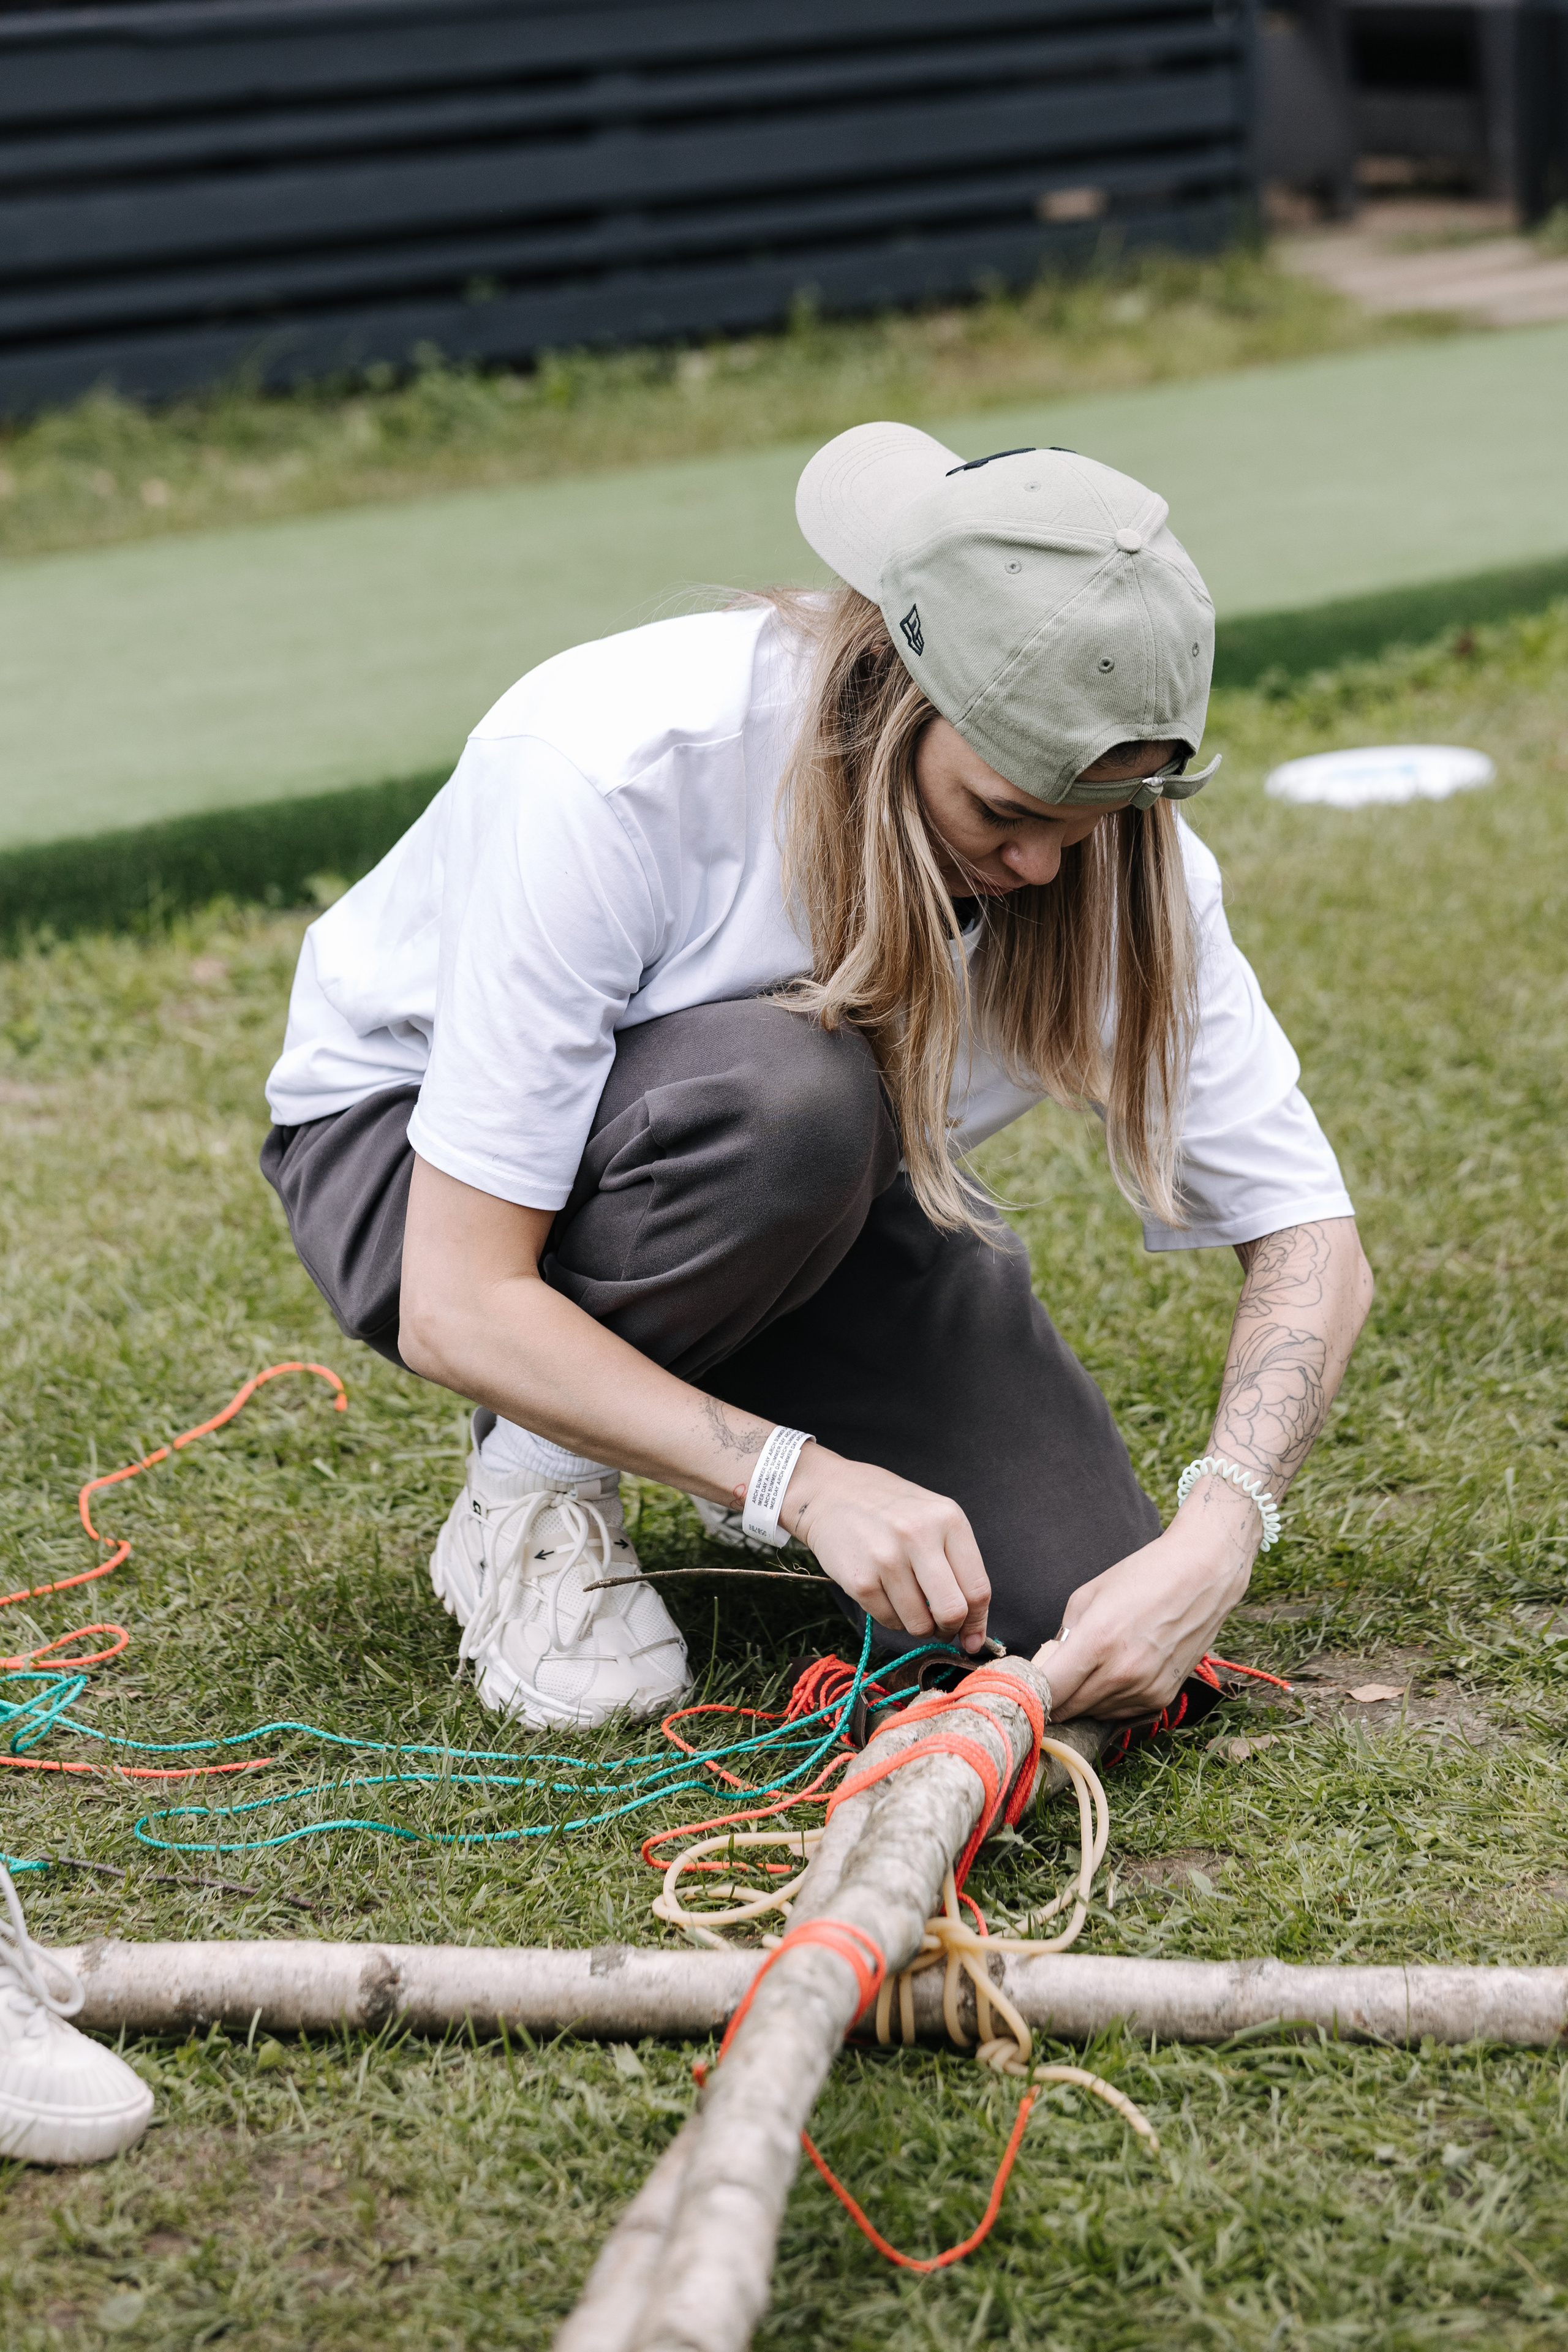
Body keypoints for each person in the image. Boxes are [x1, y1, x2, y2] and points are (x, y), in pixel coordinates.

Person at [261, 425, 1373, 1733]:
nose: (1041, 871)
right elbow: (459, 1301)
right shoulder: (607, 764)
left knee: (1075, 1604)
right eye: (1002, 816)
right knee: (788, 1097)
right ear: (888, 699)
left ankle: (686, 1400)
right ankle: (534, 1487)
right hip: (416, 1163)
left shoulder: (1114, 866)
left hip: (816, 1189)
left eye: (1089, 826)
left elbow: (1310, 1237)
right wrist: (803, 1481)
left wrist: (1217, 1533)